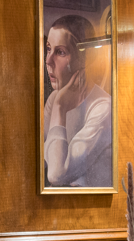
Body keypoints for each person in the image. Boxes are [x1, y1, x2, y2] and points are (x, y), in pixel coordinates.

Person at [42, 14, 113, 188]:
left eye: (60, 52)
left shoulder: (103, 108)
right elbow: (36, 160)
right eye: (48, 49)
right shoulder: (54, 98)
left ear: (85, 59)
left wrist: (60, 109)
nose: (48, 61)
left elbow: (56, 175)